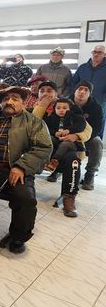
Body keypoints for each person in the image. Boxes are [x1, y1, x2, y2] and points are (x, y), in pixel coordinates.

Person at [0, 86, 52, 253]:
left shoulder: (35, 123)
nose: (9, 101)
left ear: (24, 103)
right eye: (5, 98)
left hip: (14, 172)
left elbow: (43, 149)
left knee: (25, 199)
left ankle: (18, 236)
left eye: (15, 98)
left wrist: (21, 166)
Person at [33, 88, 92, 217]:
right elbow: (35, 123)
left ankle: (69, 197)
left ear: (56, 94)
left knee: (73, 161)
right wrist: (41, 106)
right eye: (42, 91)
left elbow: (86, 129)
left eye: (50, 91)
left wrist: (75, 135)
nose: (46, 94)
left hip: (68, 147)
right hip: (46, 147)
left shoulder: (73, 114)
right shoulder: (37, 108)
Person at [43, 98, 86, 174]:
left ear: (70, 109)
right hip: (57, 139)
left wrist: (69, 130)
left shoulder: (75, 117)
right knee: (49, 139)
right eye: (58, 108)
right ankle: (45, 161)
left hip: (71, 142)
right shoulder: (52, 117)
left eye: (65, 108)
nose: (61, 110)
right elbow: (46, 127)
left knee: (65, 144)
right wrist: (55, 133)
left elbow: (81, 125)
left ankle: (54, 161)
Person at [72, 45, 106, 137]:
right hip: (81, 103)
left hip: (99, 103)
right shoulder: (82, 67)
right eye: (94, 52)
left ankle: (95, 147)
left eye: (99, 52)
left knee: (97, 127)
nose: (96, 54)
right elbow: (74, 82)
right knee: (76, 123)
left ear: (104, 54)